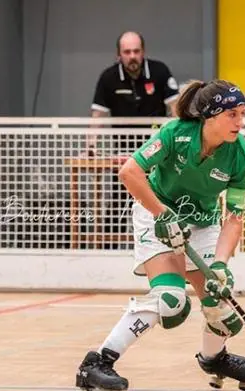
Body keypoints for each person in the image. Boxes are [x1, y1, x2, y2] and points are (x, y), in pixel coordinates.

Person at [72, 79, 245, 391]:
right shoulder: (175, 134)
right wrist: (163, 215)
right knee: (171, 299)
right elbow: (130, 172)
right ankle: (97, 362)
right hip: (155, 211)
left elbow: (234, 217)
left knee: (220, 303)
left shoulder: (242, 155)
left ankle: (213, 358)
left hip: (202, 223)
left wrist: (219, 264)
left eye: (242, 114)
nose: (239, 122)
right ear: (210, 115)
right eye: (232, 114)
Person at [86, 31, 180, 248]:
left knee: (159, 201)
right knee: (119, 203)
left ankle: (162, 246)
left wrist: (178, 143)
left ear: (143, 52)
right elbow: (97, 116)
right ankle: (109, 251)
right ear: (119, 54)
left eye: (136, 51)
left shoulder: (159, 71)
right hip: (124, 154)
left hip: (157, 151)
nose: (132, 56)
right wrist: (90, 147)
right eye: (127, 52)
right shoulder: (108, 78)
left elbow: (176, 109)